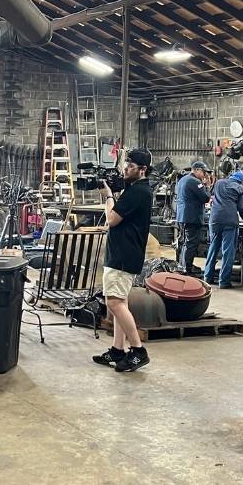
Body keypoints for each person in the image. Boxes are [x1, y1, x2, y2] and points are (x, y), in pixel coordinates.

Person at [92, 148, 154, 372]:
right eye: (125, 166)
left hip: (123, 256)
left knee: (114, 303)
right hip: (122, 253)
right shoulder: (136, 189)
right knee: (119, 302)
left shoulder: (138, 192)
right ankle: (118, 350)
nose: (126, 170)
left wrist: (108, 196)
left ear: (142, 170)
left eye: (130, 167)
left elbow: (111, 219)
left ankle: (138, 351)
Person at [204, 170, 243, 289]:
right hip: (230, 221)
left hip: (215, 219)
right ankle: (224, 282)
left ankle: (207, 277)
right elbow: (242, 208)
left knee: (213, 247)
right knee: (228, 251)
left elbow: (211, 195)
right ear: (241, 181)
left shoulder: (219, 183)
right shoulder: (241, 189)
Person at [175, 161, 211, 275]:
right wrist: (207, 186)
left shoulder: (183, 179)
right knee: (191, 243)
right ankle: (187, 269)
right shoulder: (195, 181)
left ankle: (182, 266)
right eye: (204, 172)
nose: (205, 174)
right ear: (197, 170)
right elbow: (205, 198)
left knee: (184, 242)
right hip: (192, 217)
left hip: (182, 216)